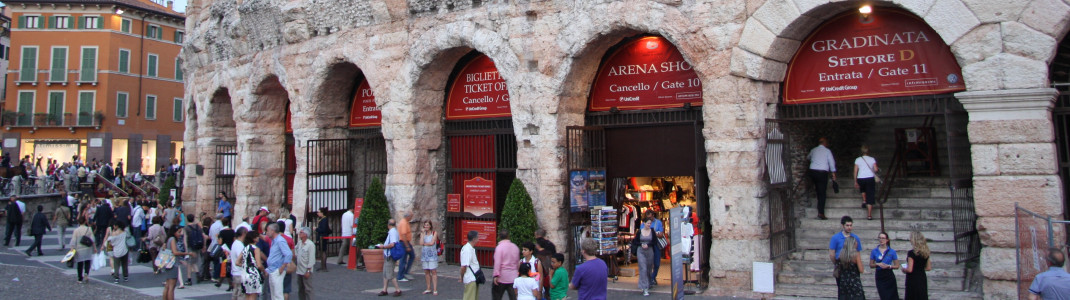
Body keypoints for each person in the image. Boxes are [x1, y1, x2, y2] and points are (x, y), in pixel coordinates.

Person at [809, 137, 837, 220]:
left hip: (813, 171)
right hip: (822, 173)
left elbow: (808, 157)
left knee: (818, 190)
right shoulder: (827, 151)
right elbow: (831, 162)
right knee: (822, 193)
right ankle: (821, 213)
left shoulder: (813, 150)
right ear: (825, 143)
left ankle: (815, 191)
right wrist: (833, 173)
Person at [265, 223, 292, 300]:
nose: (267, 233)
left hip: (277, 269)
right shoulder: (274, 241)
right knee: (274, 294)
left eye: (268, 231)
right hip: (273, 269)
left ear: (273, 231)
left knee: (277, 294)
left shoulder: (280, 240)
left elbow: (288, 253)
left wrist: (283, 266)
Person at [631, 217, 658, 296]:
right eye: (648, 223)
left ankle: (648, 283)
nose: (649, 225)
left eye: (650, 223)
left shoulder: (652, 231)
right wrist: (641, 244)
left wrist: (648, 245)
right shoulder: (640, 231)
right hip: (641, 251)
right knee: (643, 268)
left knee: (649, 269)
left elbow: (654, 241)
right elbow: (635, 241)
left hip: (649, 251)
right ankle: (644, 288)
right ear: (644, 223)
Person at [376, 219, 402, 297]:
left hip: (390, 255)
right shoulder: (392, 232)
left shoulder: (392, 232)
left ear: (388, 225)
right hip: (387, 255)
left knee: (390, 274)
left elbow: (392, 244)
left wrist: (383, 246)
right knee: (385, 273)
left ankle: (398, 290)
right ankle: (384, 289)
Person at [902, 231, 932, 300]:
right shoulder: (926, 252)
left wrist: (904, 269)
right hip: (922, 277)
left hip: (913, 279)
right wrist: (920, 268)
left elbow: (910, 269)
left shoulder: (911, 253)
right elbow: (928, 267)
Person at [870, 232, 900, 300]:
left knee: (892, 296)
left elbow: (897, 265)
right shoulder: (874, 251)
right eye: (880, 238)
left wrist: (889, 266)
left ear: (887, 240)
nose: (881, 240)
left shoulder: (892, 251)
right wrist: (877, 264)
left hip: (889, 274)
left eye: (883, 238)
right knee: (883, 295)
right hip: (880, 275)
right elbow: (871, 264)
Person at [166, 227, 193, 300]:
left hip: (169, 263)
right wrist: (187, 253)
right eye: (178, 232)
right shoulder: (172, 240)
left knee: (168, 287)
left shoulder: (169, 239)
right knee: (171, 287)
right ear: (174, 232)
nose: (180, 234)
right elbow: (175, 252)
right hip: (173, 264)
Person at [493, 229, 520, 300]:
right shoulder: (515, 247)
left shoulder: (499, 248)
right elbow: (517, 262)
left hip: (502, 276)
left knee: (497, 296)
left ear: (499, 236)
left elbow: (497, 263)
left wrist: (496, 275)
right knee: (513, 297)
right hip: (513, 277)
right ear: (508, 236)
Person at [854, 145, 879, 220]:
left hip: (860, 178)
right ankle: (869, 215)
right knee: (870, 195)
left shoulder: (858, 159)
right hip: (870, 178)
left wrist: (855, 181)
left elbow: (855, 171)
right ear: (868, 151)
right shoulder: (872, 159)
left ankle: (864, 200)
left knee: (863, 189)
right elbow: (876, 169)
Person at [836, 235, 865, 299]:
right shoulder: (856, 255)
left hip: (844, 282)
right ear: (853, 244)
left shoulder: (841, 255)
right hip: (854, 282)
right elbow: (861, 270)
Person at [70, 216, 96, 283]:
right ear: (85, 221)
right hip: (88, 248)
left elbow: (73, 240)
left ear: (78, 222)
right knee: (87, 261)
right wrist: (95, 248)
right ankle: (86, 273)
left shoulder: (76, 230)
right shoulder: (89, 229)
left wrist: (72, 249)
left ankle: (79, 278)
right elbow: (92, 239)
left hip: (79, 249)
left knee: (80, 264)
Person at [239, 230, 264, 300]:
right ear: (254, 239)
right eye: (257, 237)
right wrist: (264, 270)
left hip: (244, 274)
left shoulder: (245, 248)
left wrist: (245, 265)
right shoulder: (256, 249)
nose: (258, 238)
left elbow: (237, 262)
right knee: (253, 296)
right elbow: (259, 265)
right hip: (253, 274)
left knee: (247, 295)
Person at [642, 210, 665, 286]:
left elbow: (661, 234)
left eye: (650, 217)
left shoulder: (658, 222)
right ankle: (650, 278)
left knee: (657, 263)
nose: (649, 219)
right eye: (648, 217)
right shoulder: (643, 224)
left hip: (655, 244)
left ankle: (653, 277)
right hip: (648, 245)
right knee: (648, 263)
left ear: (653, 215)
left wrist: (655, 234)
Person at [294, 227, 316, 300]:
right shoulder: (300, 243)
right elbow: (295, 250)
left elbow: (312, 259)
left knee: (308, 289)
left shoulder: (310, 245)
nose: (299, 234)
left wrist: (308, 270)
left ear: (305, 234)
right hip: (299, 269)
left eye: (301, 232)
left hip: (306, 269)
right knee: (301, 289)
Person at [420, 220, 439, 295]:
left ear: (430, 226)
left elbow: (432, 243)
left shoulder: (434, 233)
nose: (426, 227)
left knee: (433, 271)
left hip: (432, 255)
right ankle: (428, 288)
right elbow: (421, 243)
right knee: (426, 272)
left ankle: (435, 289)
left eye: (427, 225)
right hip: (425, 255)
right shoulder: (423, 234)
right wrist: (422, 233)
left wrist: (425, 244)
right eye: (425, 225)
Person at [460, 230, 481, 300]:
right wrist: (462, 277)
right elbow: (463, 267)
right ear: (474, 239)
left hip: (473, 278)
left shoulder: (470, 248)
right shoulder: (467, 250)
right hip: (470, 279)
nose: (478, 240)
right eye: (477, 238)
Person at [230, 227, 249, 298]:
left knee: (236, 294)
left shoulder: (235, 243)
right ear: (243, 234)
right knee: (241, 295)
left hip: (236, 272)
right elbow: (241, 258)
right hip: (240, 272)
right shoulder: (239, 245)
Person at [397, 212, 415, 282]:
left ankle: (405, 272)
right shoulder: (404, 223)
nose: (411, 218)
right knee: (403, 259)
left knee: (412, 256)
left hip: (405, 242)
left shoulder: (405, 222)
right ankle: (400, 276)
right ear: (408, 216)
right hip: (404, 243)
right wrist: (407, 246)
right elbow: (403, 234)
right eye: (411, 217)